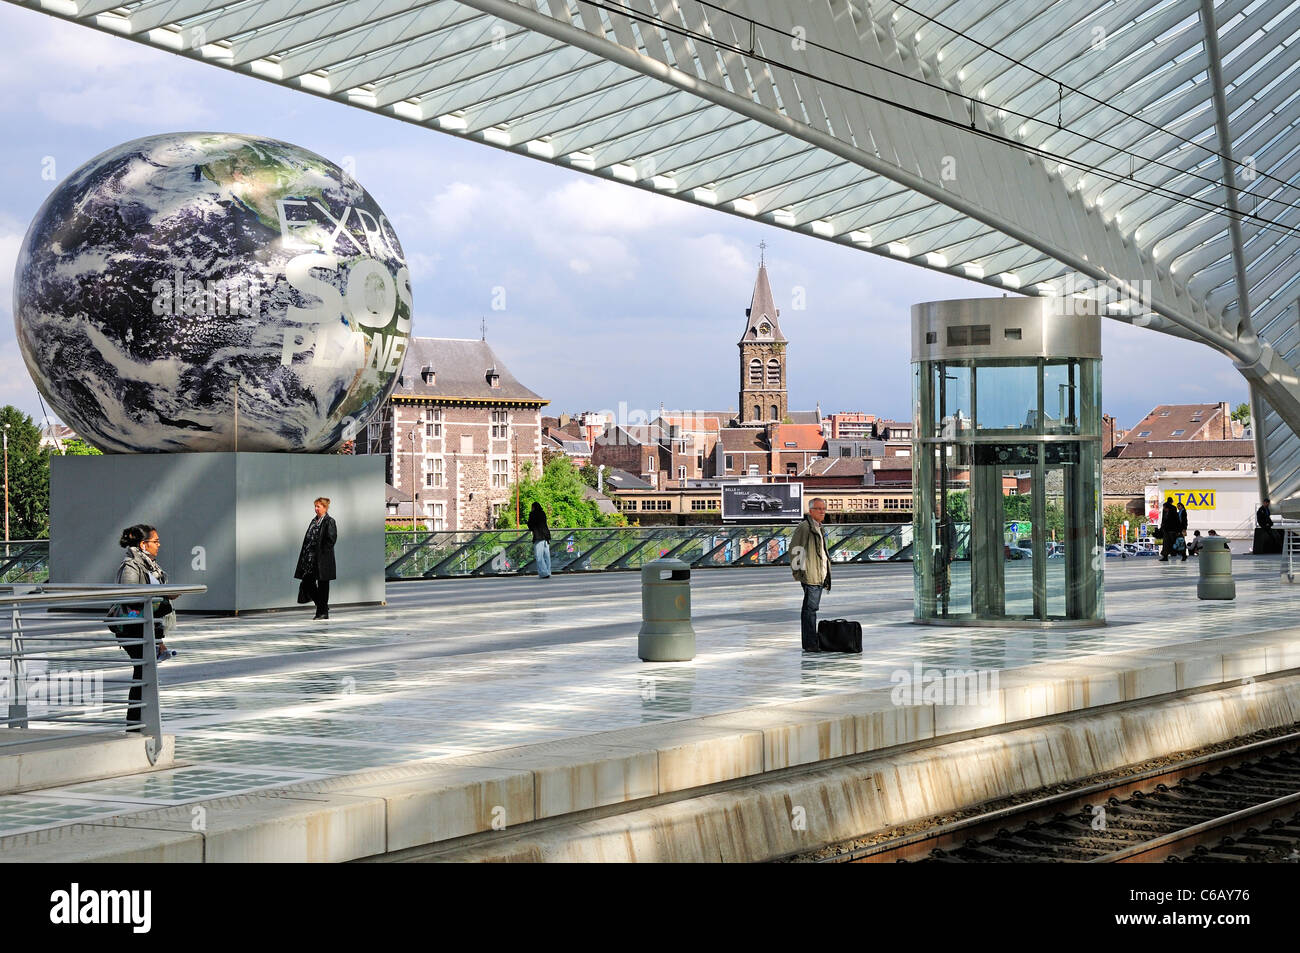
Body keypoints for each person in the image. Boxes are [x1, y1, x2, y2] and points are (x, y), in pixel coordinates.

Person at [111, 524, 179, 726]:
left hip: (147, 627)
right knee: (143, 673)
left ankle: (140, 721)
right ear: (143, 544)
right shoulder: (131, 566)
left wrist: (159, 639)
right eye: (155, 541)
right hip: (132, 627)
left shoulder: (150, 565)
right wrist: (164, 595)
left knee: (144, 673)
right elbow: (131, 597)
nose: (159, 545)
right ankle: (135, 723)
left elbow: (152, 604)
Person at [790, 498, 831, 652]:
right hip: (811, 574)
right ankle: (810, 644)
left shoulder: (820, 528)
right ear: (811, 511)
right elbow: (795, 550)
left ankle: (811, 642)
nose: (822, 512)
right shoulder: (805, 527)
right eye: (819, 509)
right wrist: (799, 573)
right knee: (810, 610)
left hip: (820, 574)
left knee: (811, 609)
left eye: (824, 509)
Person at [295, 497, 337, 620]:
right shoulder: (314, 521)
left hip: (323, 560)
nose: (316, 509)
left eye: (318, 506)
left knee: (323, 585)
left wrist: (322, 554)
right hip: (310, 560)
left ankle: (322, 613)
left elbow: (331, 539)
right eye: (315, 506)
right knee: (308, 582)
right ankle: (322, 606)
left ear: (325, 508)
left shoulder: (329, 521)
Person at [527, 501, 552, 579]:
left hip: (538, 536)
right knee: (546, 555)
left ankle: (544, 573)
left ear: (533, 507)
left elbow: (531, 525)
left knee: (539, 556)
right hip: (546, 536)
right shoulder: (543, 513)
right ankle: (548, 571)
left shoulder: (533, 514)